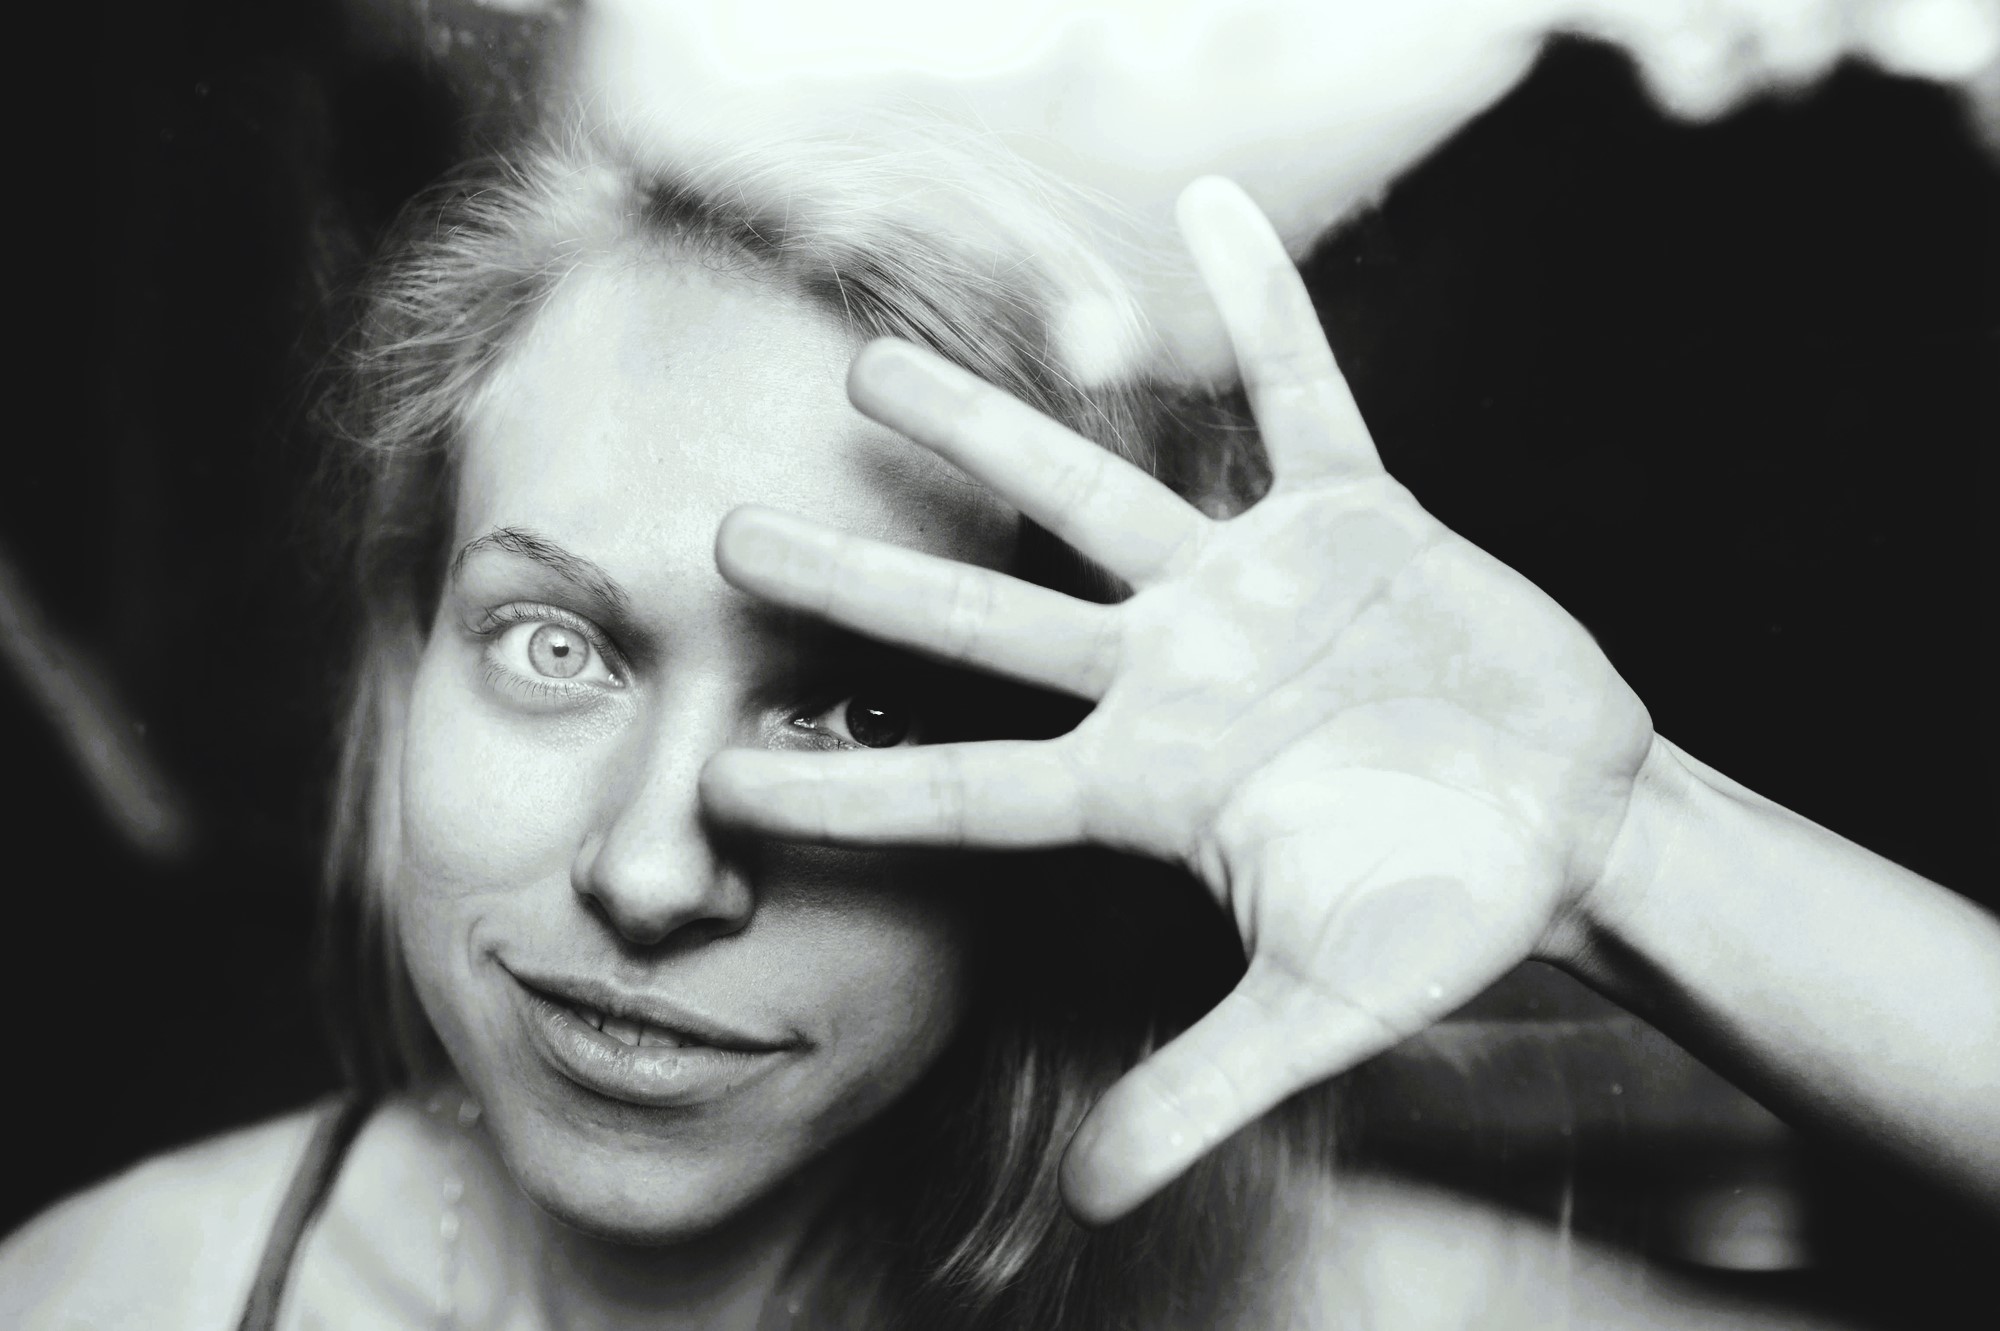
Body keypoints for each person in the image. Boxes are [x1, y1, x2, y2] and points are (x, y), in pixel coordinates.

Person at [2, 115, 1994, 1331]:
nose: (649, 866)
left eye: (867, 708)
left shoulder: (1366, 1316)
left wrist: (1636, 846)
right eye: (551, 646)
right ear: (394, 657)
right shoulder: (99, 1304)